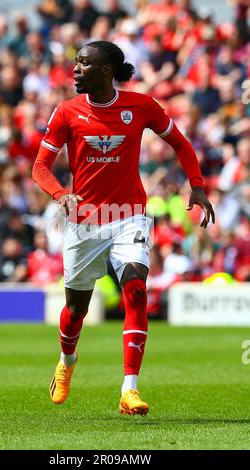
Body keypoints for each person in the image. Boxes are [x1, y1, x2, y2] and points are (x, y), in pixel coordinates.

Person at [32, 40, 215, 416]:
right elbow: (40, 167)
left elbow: (179, 143)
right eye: (76, 62)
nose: (76, 69)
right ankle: (67, 360)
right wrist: (60, 194)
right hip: (84, 221)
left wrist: (196, 184)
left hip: (129, 214)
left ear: (105, 71)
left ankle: (129, 389)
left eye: (84, 63)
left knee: (135, 289)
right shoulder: (66, 112)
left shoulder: (141, 105)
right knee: (75, 309)